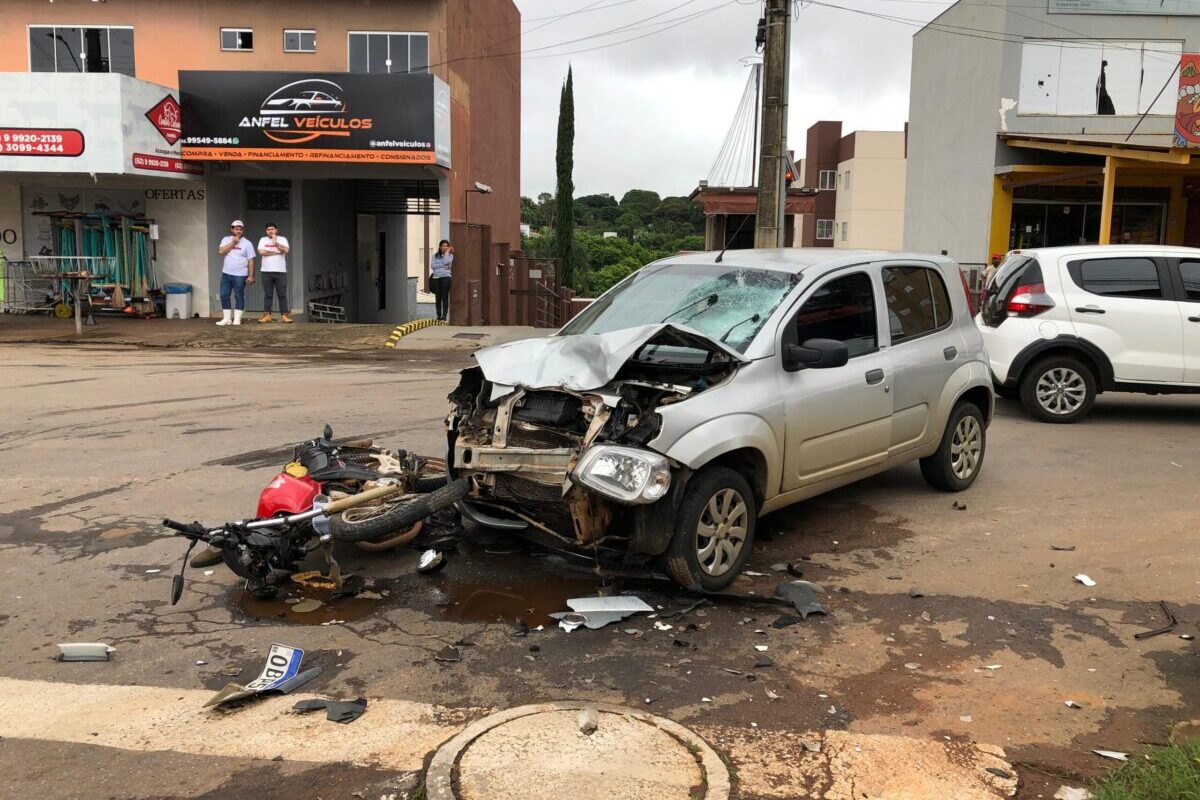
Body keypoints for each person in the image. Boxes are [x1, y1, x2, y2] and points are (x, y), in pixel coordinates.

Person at [216, 220, 256, 325]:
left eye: (240, 229)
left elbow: (251, 260)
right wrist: (233, 242)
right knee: (224, 295)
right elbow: (221, 251)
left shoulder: (247, 243)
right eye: (236, 229)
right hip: (226, 273)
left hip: (240, 274)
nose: (238, 231)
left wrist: (251, 276)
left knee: (239, 295)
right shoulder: (225, 239)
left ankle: (237, 319)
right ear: (232, 229)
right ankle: (227, 318)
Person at [256, 223, 291, 323]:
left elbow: (286, 250)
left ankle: (285, 315)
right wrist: (276, 252)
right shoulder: (263, 240)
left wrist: (276, 243)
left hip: (281, 272)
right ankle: (267, 315)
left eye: (272, 229)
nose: (270, 231)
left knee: (282, 294)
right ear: (266, 231)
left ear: (276, 230)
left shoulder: (282, 239)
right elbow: (261, 252)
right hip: (266, 271)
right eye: (268, 229)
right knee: (268, 294)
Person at [430, 239, 454, 322]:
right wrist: (443, 266)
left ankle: (444, 316)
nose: (445, 247)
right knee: (438, 298)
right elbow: (433, 266)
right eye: (443, 246)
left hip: (446, 278)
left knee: (444, 297)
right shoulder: (435, 256)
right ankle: (438, 316)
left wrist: (447, 253)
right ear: (440, 247)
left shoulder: (450, 255)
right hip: (436, 278)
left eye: (446, 246)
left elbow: (447, 262)